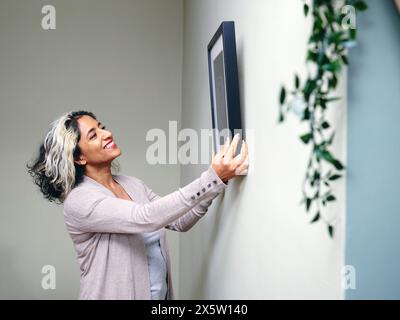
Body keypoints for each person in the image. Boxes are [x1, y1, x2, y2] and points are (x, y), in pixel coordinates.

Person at [27, 110, 249, 300]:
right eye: (94, 135)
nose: (107, 134)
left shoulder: (132, 184)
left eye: (102, 127)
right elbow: (146, 217)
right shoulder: (79, 201)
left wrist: (220, 180)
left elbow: (180, 221)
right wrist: (211, 178)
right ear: (79, 158)